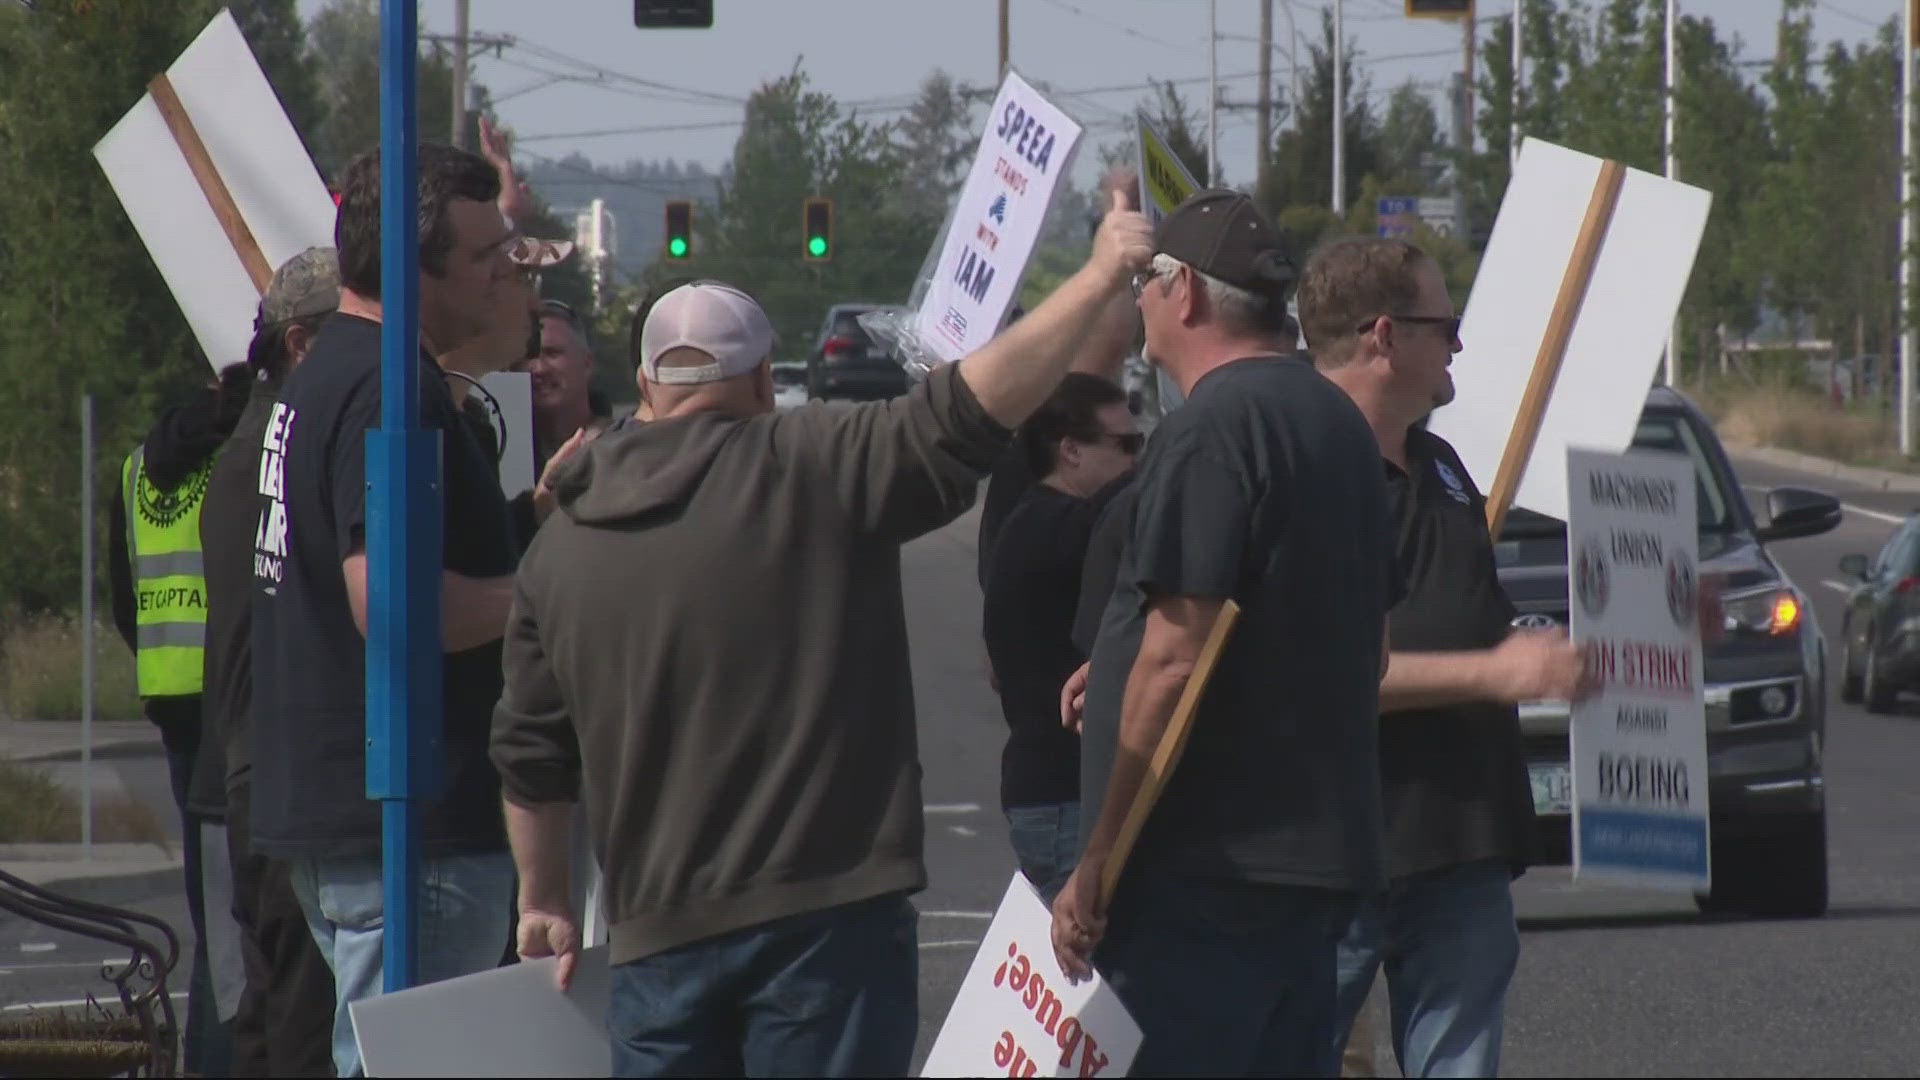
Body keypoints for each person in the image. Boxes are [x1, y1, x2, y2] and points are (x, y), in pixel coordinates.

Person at [490, 195, 1154, 1078]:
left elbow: (530, 753)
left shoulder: (561, 540)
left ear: (648, 389)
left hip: (658, 937)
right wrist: (1104, 273)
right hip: (828, 927)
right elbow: (966, 411)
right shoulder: (815, 464)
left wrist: (544, 899)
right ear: (766, 380)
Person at [1051, 190, 1401, 1077]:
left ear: (1189, 296)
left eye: (1147, 279)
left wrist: (1096, 863)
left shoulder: (1212, 429)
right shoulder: (1341, 425)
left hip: (1204, 873)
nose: (1138, 300)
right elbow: (1360, 640)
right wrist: (1119, 660)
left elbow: (1176, 656)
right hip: (1308, 863)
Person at [249, 143, 524, 1078]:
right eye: (486, 253)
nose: (505, 271)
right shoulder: (386, 387)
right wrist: (556, 600)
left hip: (352, 813)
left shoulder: (326, 374)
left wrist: (533, 518)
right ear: (417, 267)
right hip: (409, 827)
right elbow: (397, 606)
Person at [1300, 237, 1584, 1078]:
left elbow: (1483, 624)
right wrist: (1498, 676)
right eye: (1444, 325)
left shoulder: (1441, 463)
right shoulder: (1301, 467)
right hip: (1334, 850)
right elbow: (1325, 673)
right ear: (1384, 336)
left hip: (1460, 839)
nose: (1458, 345)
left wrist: (1656, 620)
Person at [196, 246, 342, 1077]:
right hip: (275, 770)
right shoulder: (274, 457)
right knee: (298, 1020)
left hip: (257, 768)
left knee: (274, 1009)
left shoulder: (260, 447)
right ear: (298, 345)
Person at [109, 363, 249, 1078]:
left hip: (175, 698)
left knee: (215, 923)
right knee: (249, 932)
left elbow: (123, 598)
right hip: (239, 698)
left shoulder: (140, 466)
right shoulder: (246, 459)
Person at [982, 374, 1138, 902]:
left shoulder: (1043, 520)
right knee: (1101, 976)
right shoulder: (1061, 529)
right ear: (1070, 449)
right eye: (1126, 444)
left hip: (1056, 792)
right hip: (1066, 796)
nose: (1136, 460)